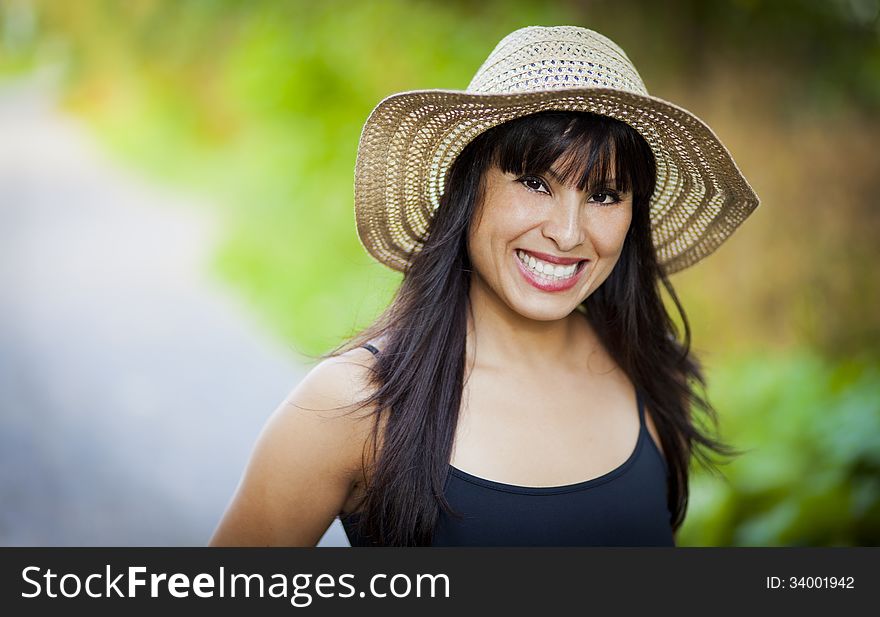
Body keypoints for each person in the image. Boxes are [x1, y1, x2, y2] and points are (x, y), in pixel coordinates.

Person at [209, 25, 759, 547]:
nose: (567, 234)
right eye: (534, 182)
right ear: (467, 189)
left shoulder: (648, 377)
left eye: (605, 195)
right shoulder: (354, 405)